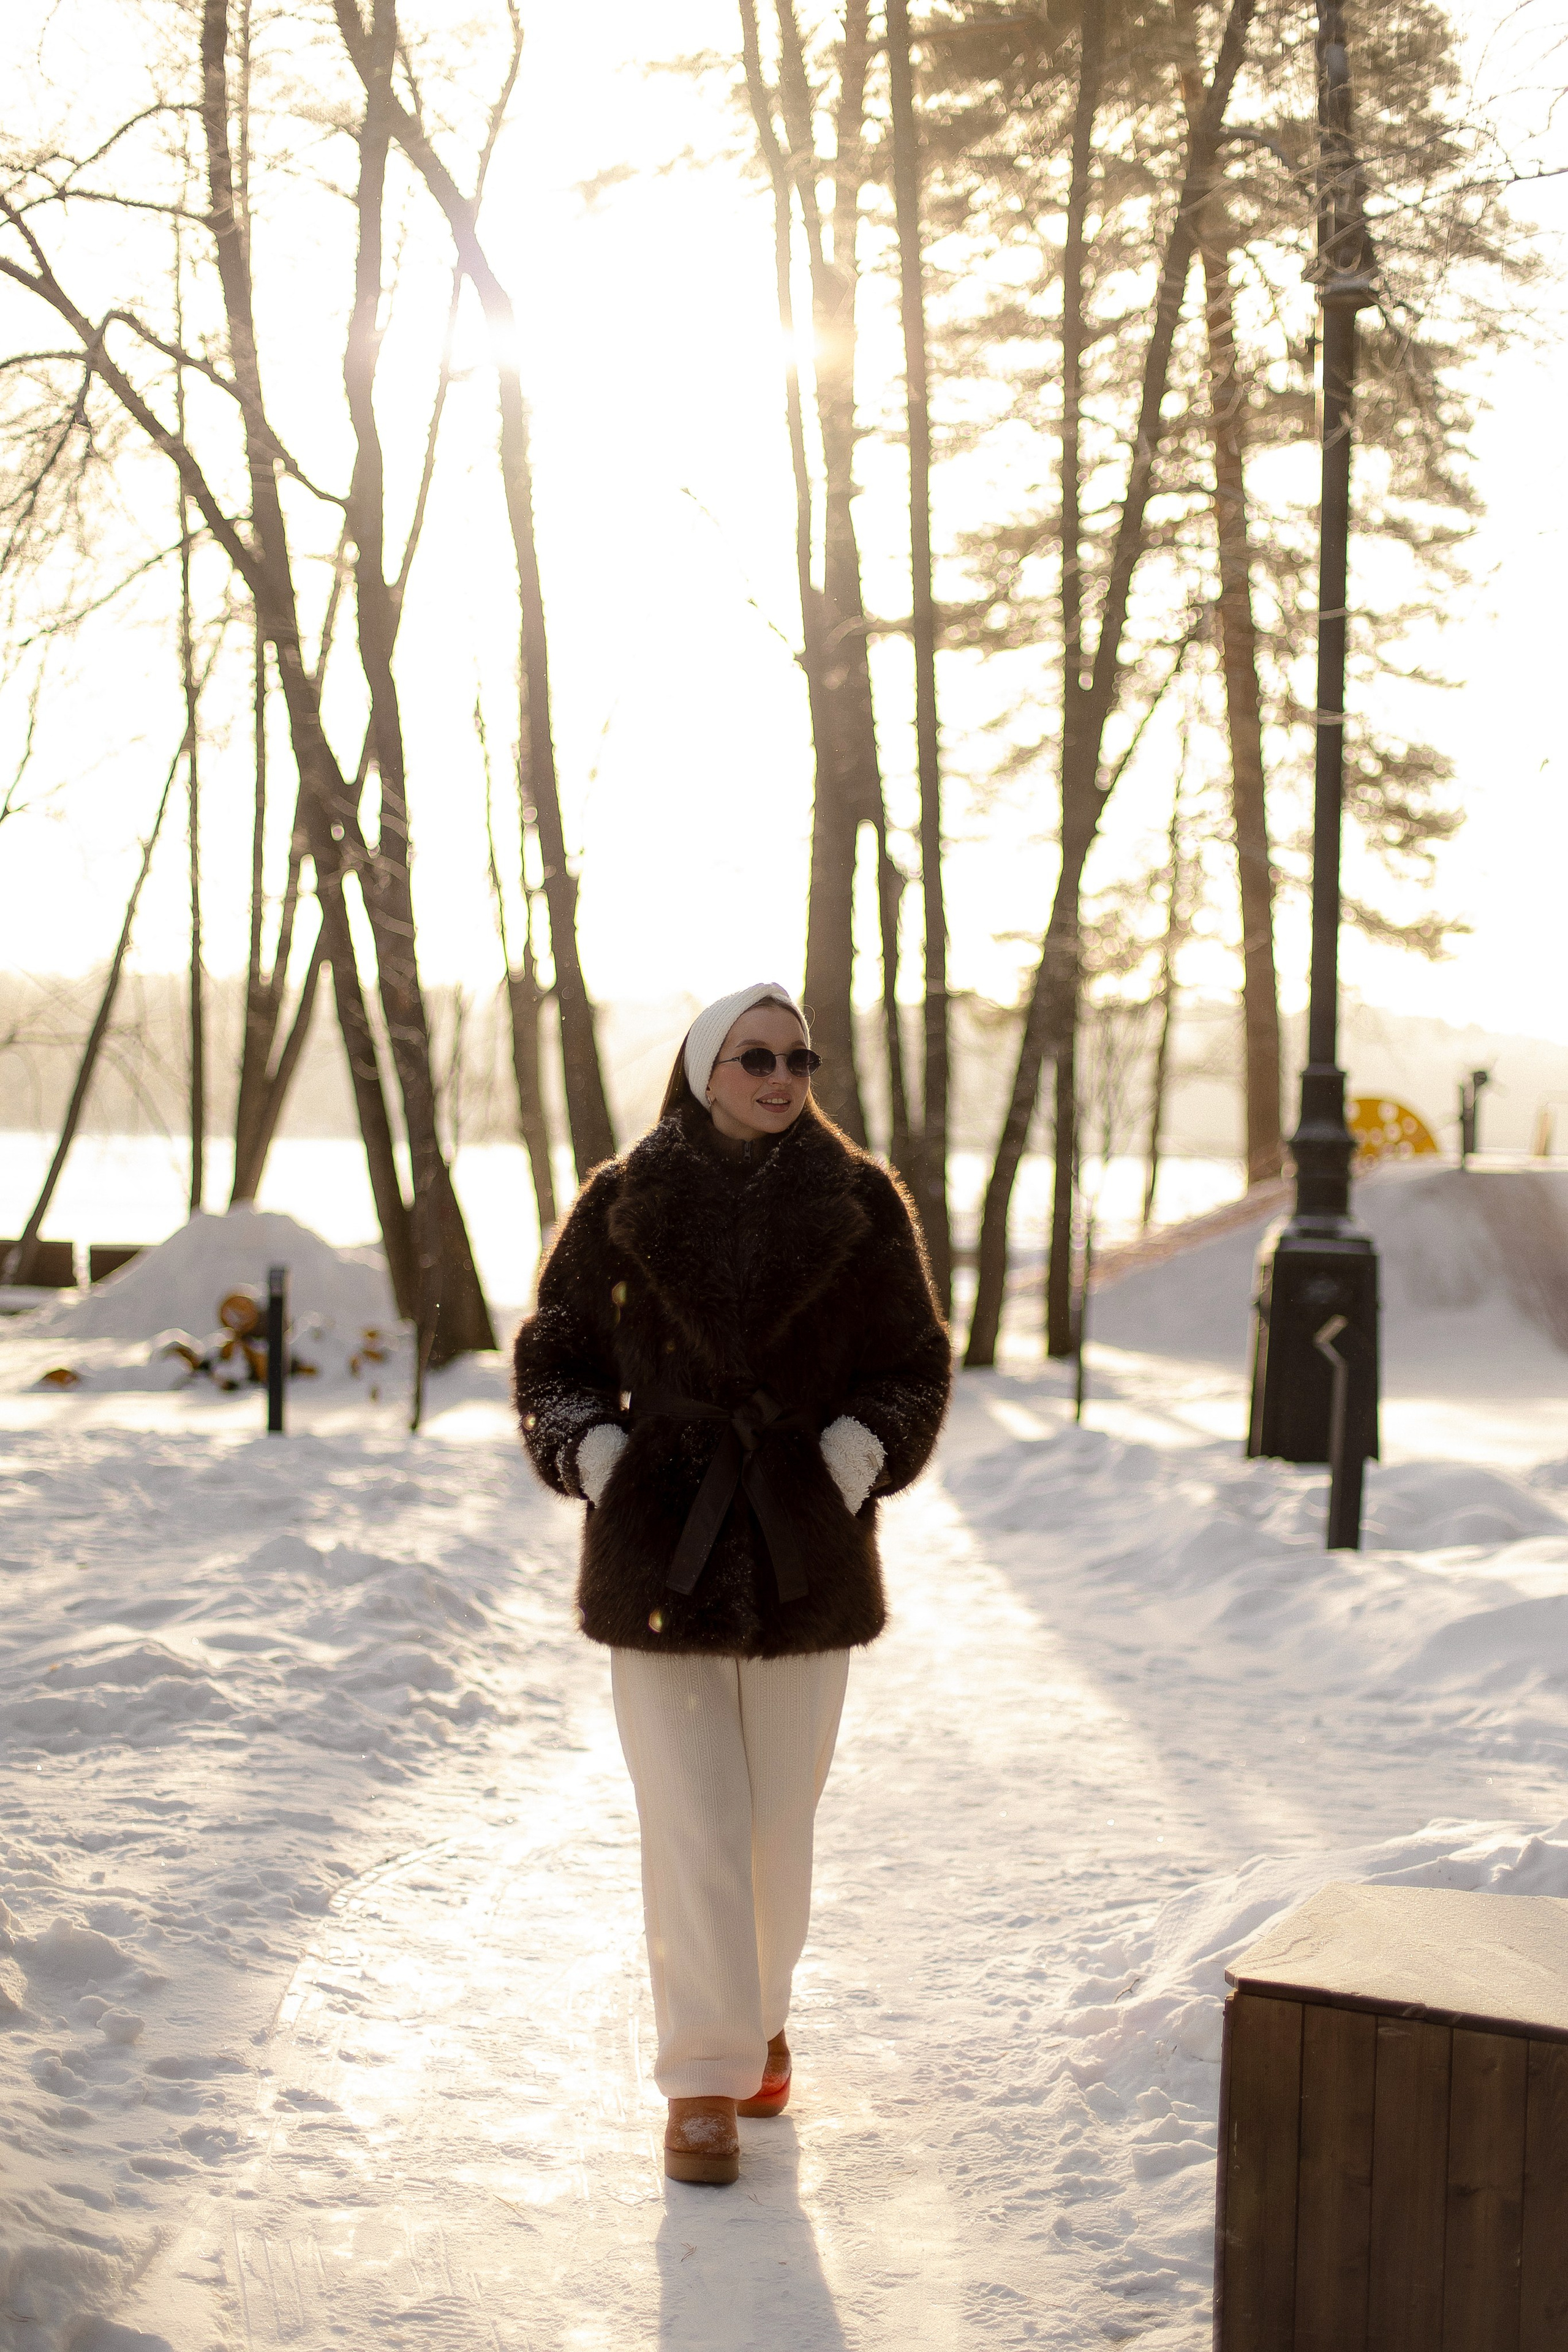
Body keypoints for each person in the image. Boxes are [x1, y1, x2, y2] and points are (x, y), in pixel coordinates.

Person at [512, 981, 951, 2185]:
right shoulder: (621, 1201)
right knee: (694, 1817)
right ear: (705, 1068)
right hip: (663, 1546)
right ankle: (703, 2078)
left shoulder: (862, 1203)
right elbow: (553, 1360)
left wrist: (852, 1458)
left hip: (806, 1546)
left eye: (799, 1059)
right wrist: (601, 1459)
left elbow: (914, 1364)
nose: (781, 1078)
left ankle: (759, 2015)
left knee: (776, 1825)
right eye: (755, 1057)